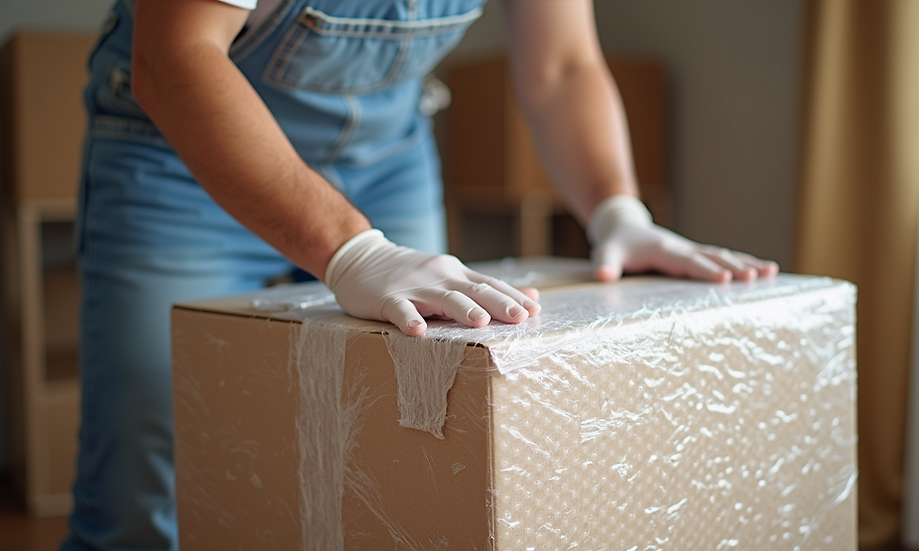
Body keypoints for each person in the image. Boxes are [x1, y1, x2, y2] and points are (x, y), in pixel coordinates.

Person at [62, 0, 779, 549]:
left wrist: (618, 209)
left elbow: (562, 64)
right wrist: (352, 251)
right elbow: (176, 53)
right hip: (180, 153)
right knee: (144, 482)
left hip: (384, 156)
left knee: (414, 441)